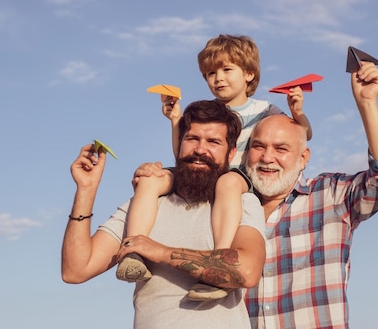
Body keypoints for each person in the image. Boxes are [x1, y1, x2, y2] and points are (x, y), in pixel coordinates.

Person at [135, 60, 378, 328]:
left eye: (281, 149)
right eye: (258, 146)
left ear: (303, 158)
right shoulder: (225, 208)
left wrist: (366, 103)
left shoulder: (330, 197)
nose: (267, 158)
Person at [120, 34, 313, 300]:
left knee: (228, 182)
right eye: (210, 73)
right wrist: (176, 119)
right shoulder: (205, 111)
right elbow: (182, 153)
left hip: (236, 176)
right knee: (150, 179)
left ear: (248, 74)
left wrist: (297, 112)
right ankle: (133, 251)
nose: (217, 78)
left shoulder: (266, 110)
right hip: (200, 171)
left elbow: (303, 134)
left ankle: (219, 262)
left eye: (226, 70)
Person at [62, 100, 266, 328]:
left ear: (230, 154)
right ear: (179, 144)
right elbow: (75, 270)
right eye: (192, 139)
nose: (200, 149)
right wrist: (86, 189)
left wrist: (158, 251)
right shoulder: (145, 204)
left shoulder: (242, 203)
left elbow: (247, 271)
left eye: (213, 142)